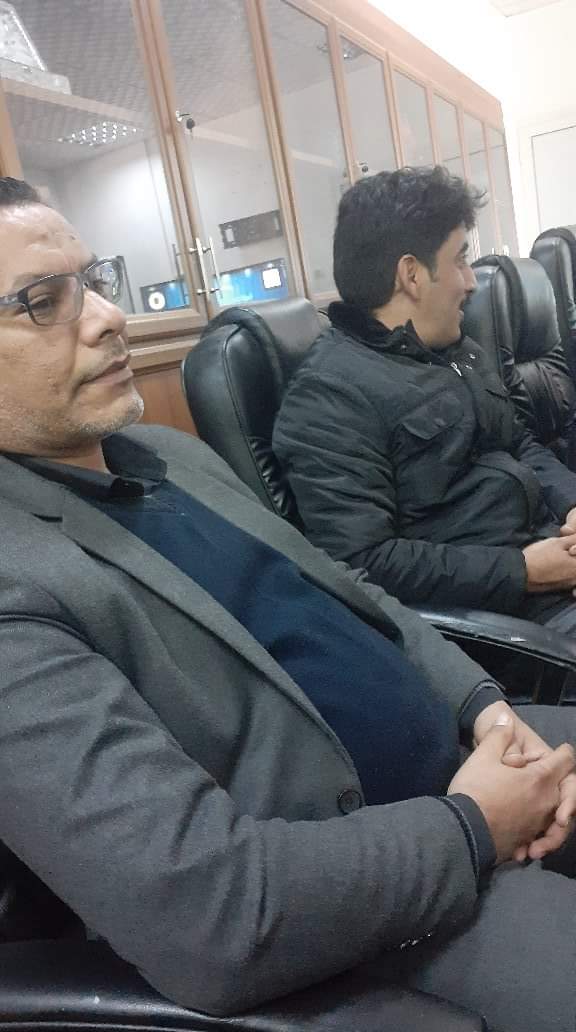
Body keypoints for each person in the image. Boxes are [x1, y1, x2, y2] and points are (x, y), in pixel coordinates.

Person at [0, 176, 575, 1032]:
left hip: (472, 756)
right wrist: (472, 828)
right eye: (44, 302)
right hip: (377, 894)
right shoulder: (16, 581)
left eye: (92, 281)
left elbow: (351, 589)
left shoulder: (164, 453)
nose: (108, 317)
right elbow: (210, 910)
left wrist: (483, 705)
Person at [273, 166, 576, 636]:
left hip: (550, 555)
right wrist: (522, 572)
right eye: (460, 260)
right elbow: (363, 561)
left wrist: (572, 505)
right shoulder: (328, 397)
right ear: (411, 274)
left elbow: (520, 444)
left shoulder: (458, 350)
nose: (471, 282)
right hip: (505, 622)